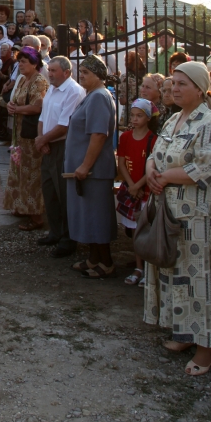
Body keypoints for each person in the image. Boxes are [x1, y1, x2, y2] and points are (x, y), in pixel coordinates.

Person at [144, 62, 211, 376]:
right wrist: (151, 172)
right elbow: (154, 153)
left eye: (183, 84)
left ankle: (207, 348)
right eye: (173, 83)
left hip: (201, 217)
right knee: (177, 275)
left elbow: (204, 167)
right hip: (172, 213)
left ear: (200, 88)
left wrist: (165, 176)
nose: (176, 89)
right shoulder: (172, 120)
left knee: (202, 281)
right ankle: (184, 332)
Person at [67, 55, 117, 279]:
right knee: (88, 215)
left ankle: (105, 262)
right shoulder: (92, 95)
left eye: (86, 73)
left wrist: (85, 166)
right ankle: (93, 258)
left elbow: (98, 134)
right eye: (82, 71)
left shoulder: (99, 97)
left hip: (94, 171)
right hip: (86, 171)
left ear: (98, 75)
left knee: (97, 217)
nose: (82, 76)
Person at [35, 56, 85, 257]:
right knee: (49, 191)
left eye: (54, 70)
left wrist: (44, 140)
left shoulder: (73, 91)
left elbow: (65, 125)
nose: (50, 74)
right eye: (49, 70)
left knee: (63, 193)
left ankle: (68, 238)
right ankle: (55, 231)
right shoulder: (52, 89)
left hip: (62, 146)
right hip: (47, 145)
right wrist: (41, 138)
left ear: (66, 72)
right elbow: (42, 116)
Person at [2, 46, 48, 230]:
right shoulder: (22, 79)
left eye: (24, 61)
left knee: (31, 174)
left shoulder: (39, 81)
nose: (20, 65)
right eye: (19, 61)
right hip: (18, 134)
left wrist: (17, 110)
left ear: (34, 64)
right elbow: (14, 100)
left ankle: (36, 216)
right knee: (19, 170)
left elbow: (38, 107)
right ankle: (21, 206)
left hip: (31, 135)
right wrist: (10, 107)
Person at [116, 98, 158, 286]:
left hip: (146, 190)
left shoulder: (153, 139)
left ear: (147, 117)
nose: (134, 119)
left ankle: (149, 268)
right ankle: (138, 266)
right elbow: (122, 162)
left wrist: (138, 185)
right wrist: (131, 185)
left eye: (139, 116)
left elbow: (153, 165)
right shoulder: (125, 137)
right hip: (133, 188)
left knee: (146, 229)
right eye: (132, 115)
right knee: (134, 230)